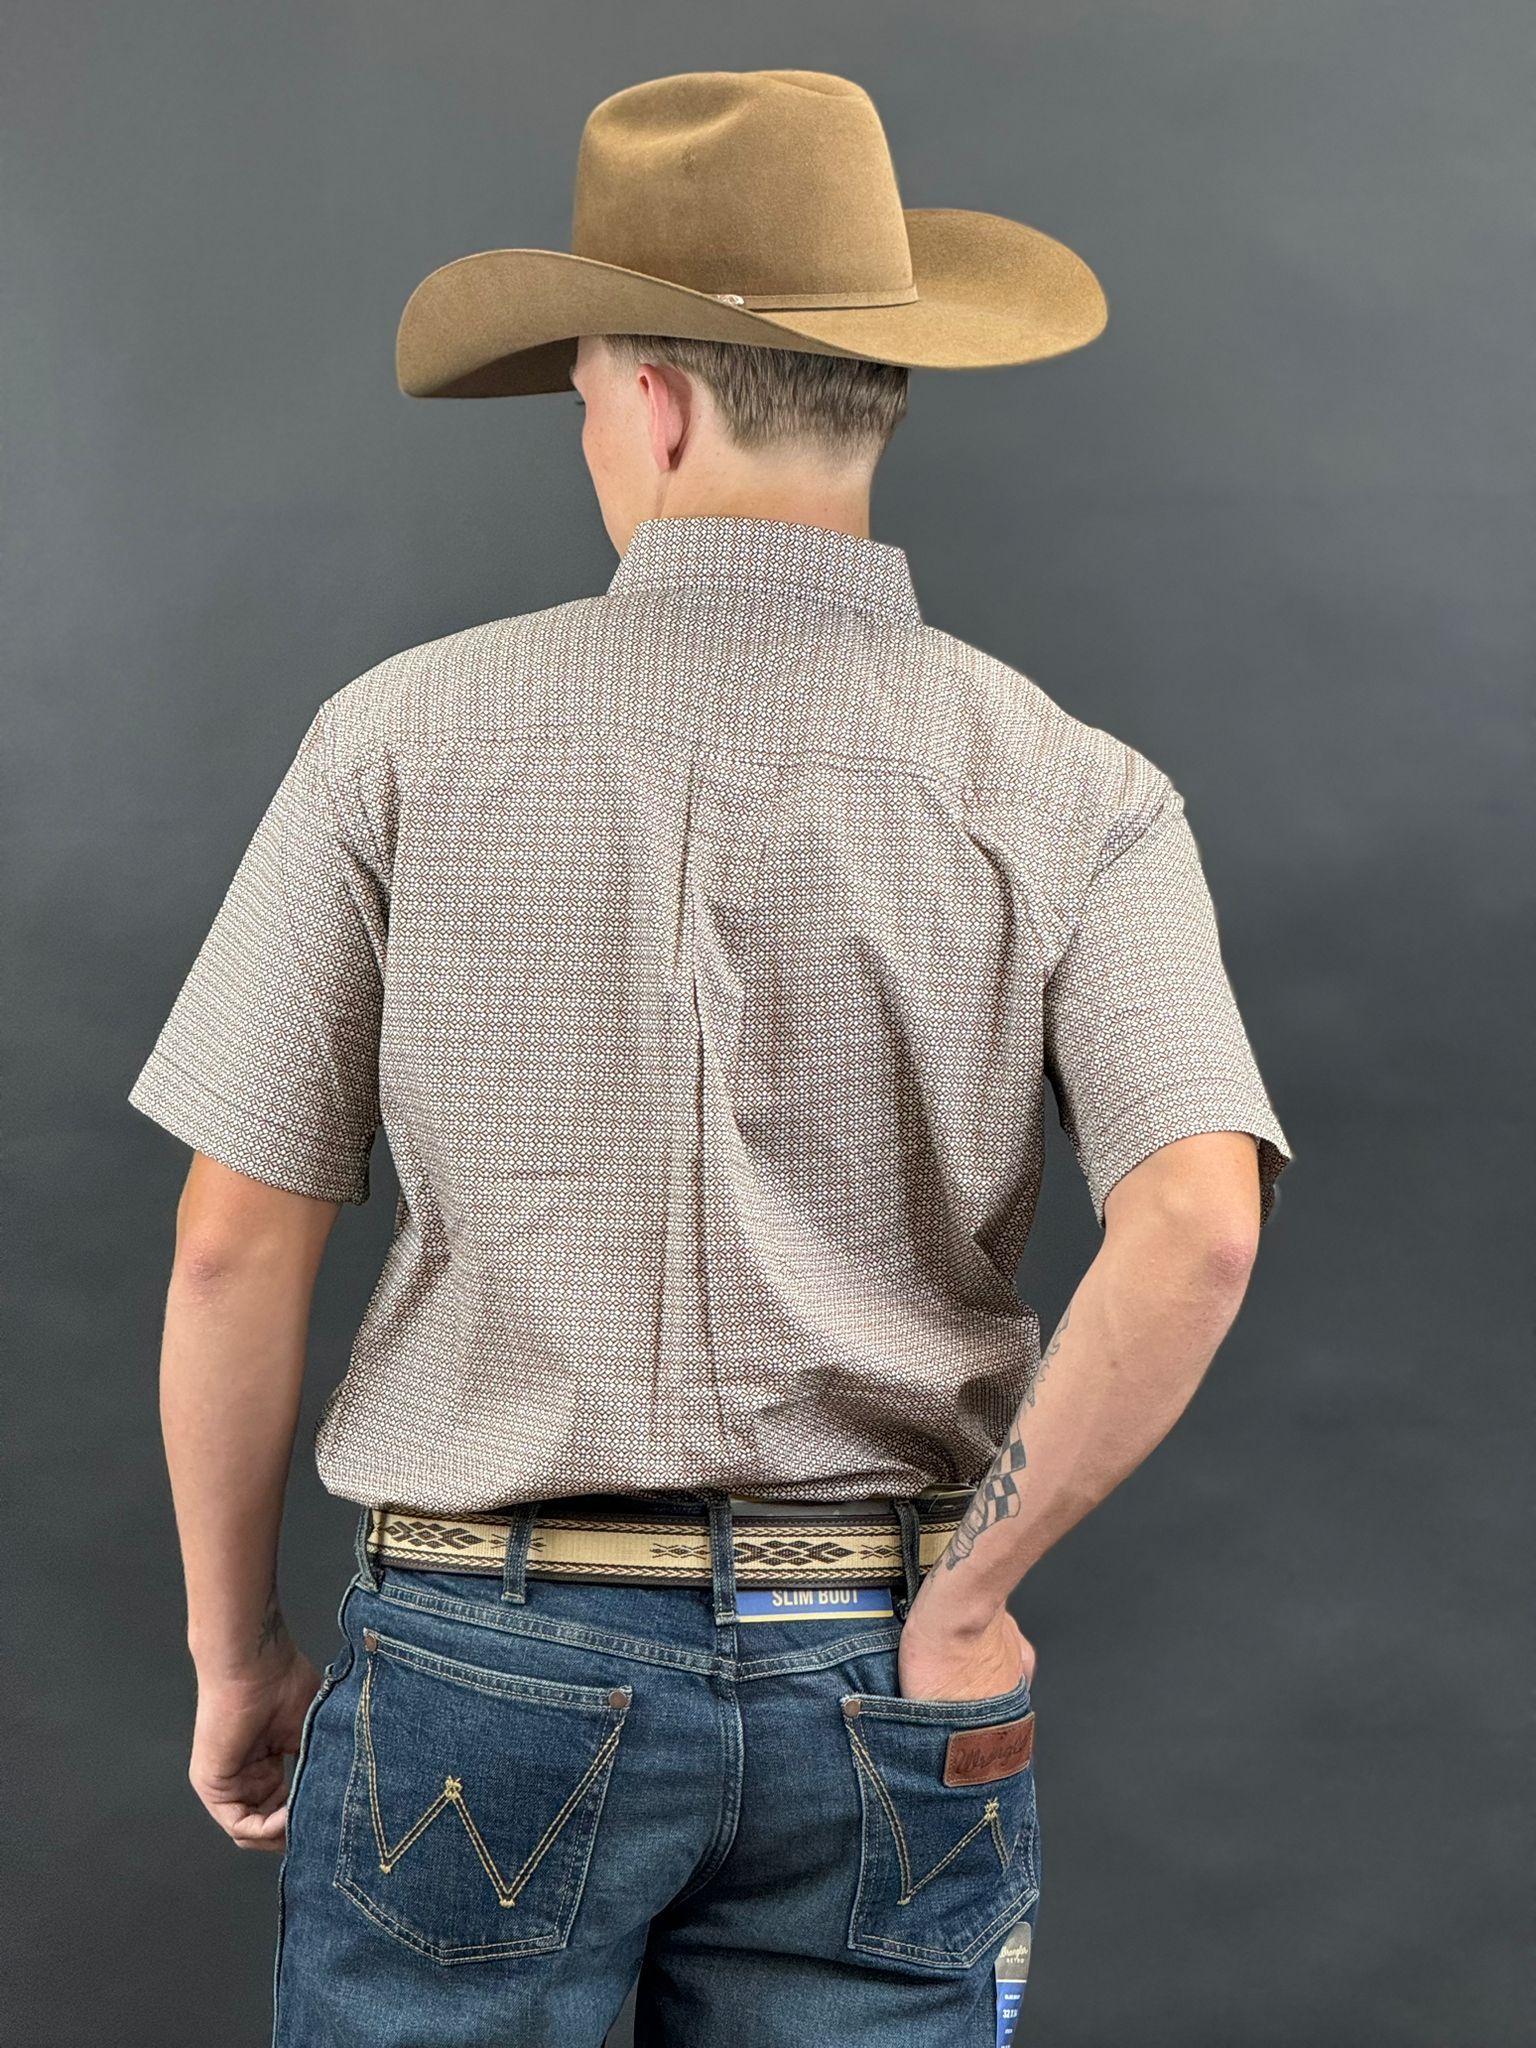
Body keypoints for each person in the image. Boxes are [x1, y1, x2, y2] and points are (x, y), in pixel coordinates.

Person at [126, 68, 1293, 2048]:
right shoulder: (1085, 788)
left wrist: (238, 1650)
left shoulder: (396, 738)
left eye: (582, 393)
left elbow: (237, 1244)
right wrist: (975, 1586)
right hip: (889, 1675)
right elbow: (1198, 1223)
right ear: (882, 389)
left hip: (476, 1664)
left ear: (651, 403)